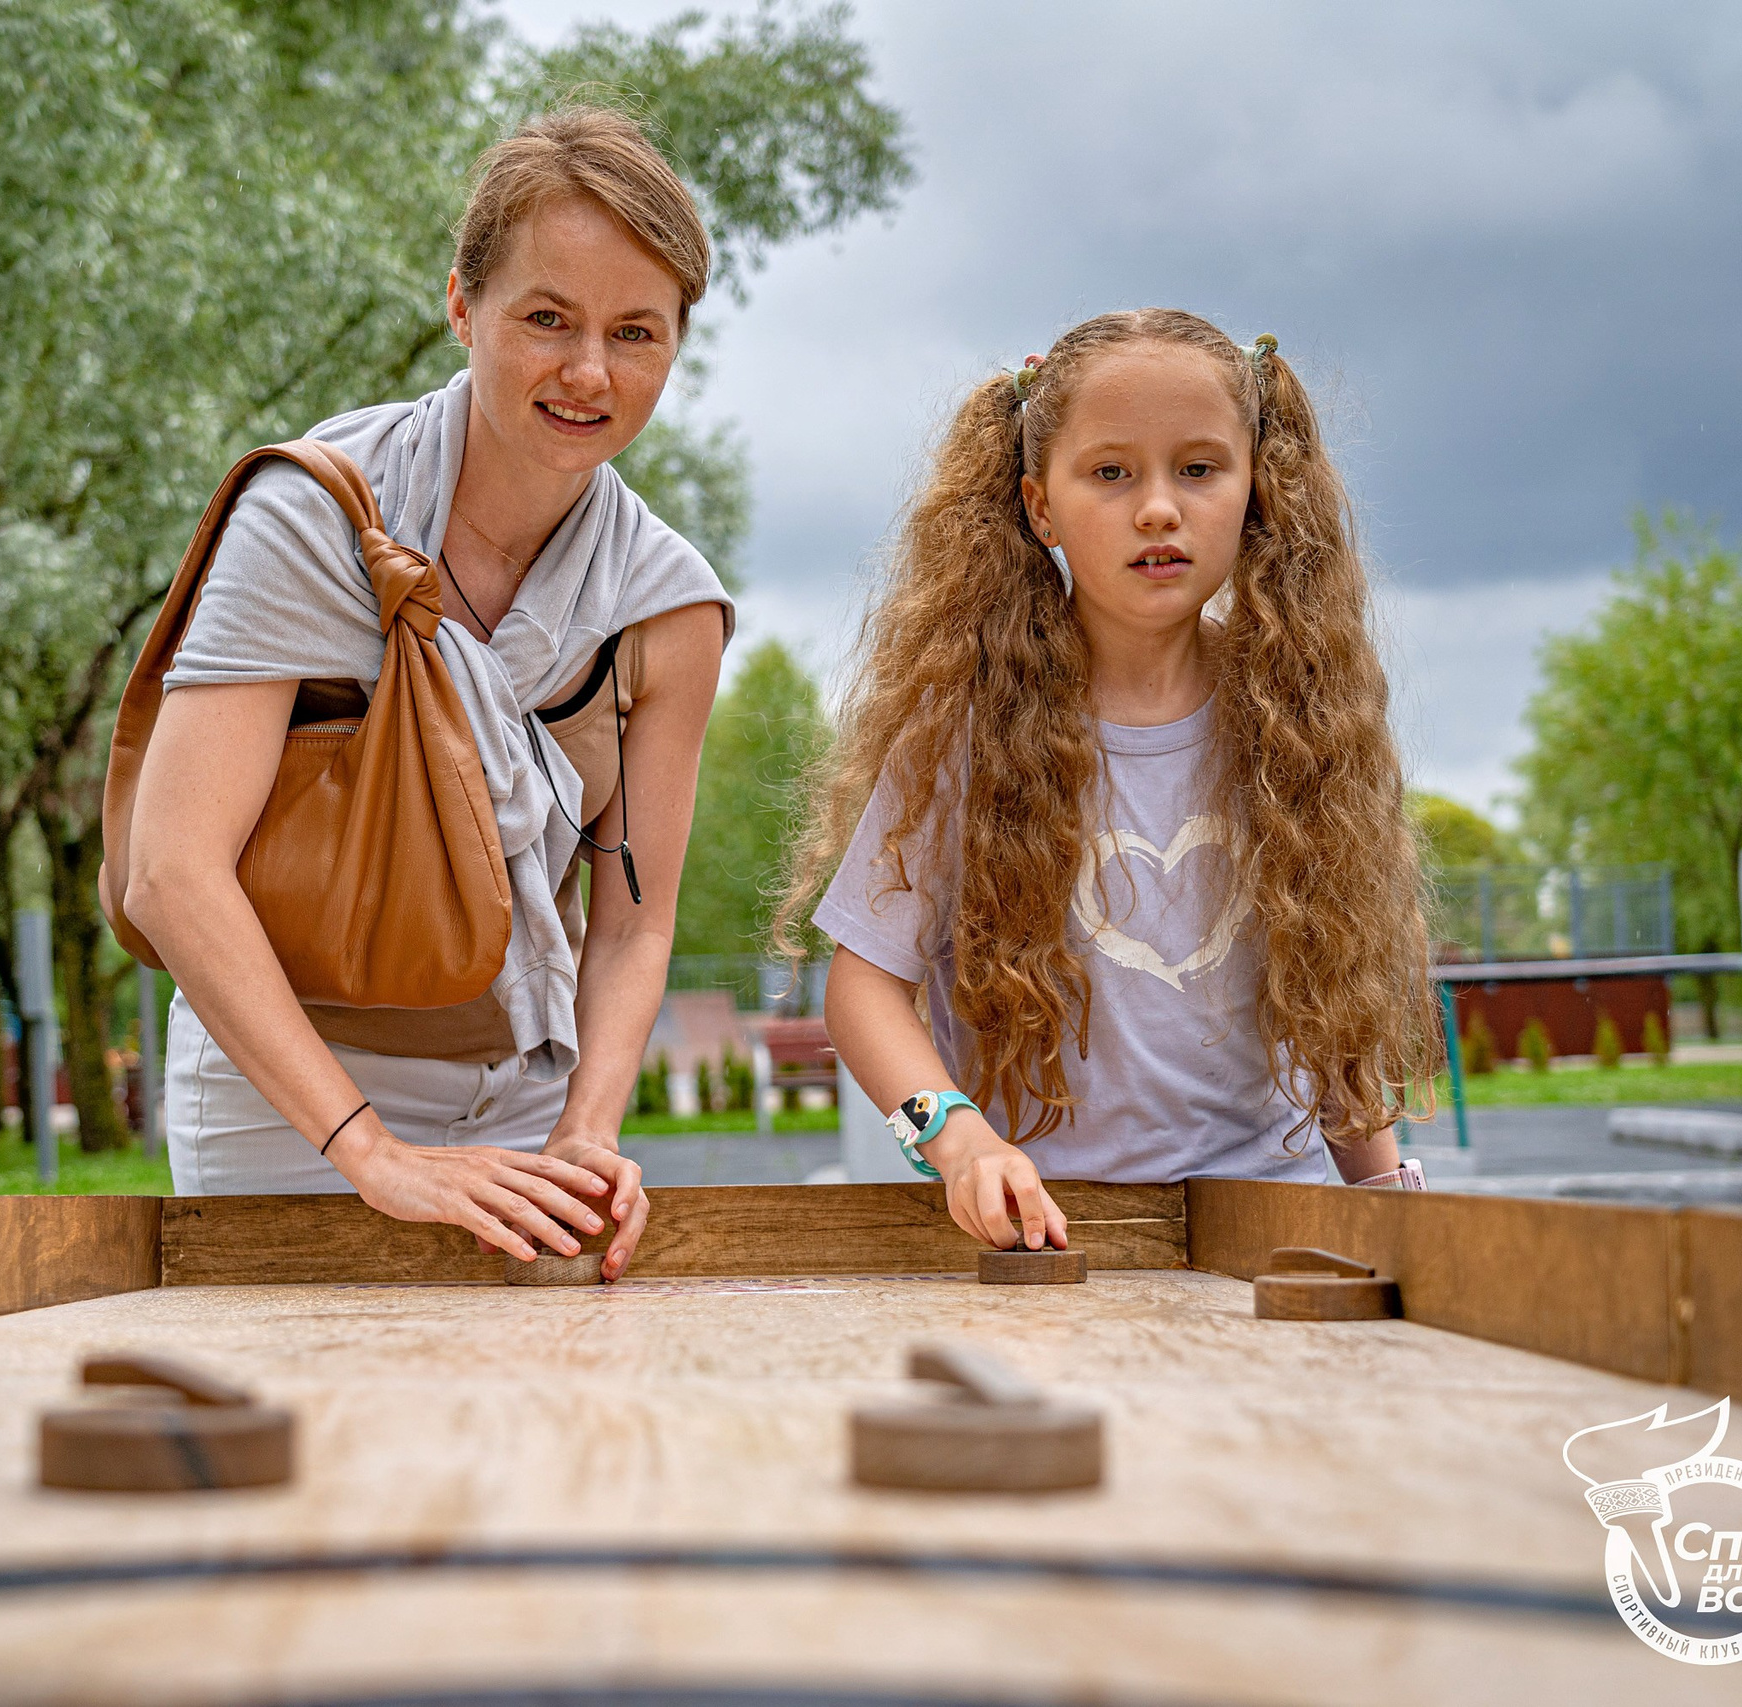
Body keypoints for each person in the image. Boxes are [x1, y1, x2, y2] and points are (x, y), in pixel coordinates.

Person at [124, 108, 731, 1279]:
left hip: (526, 1103)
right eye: (546, 319)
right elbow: (171, 873)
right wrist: (371, 1152)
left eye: (635, 333)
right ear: (461, 304)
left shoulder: (667, 608)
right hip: (290, 1104)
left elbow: (634, 922)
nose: (589, 372)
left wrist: (586, 1135)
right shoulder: (313, 519)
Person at [787, 309, 1436, 1255]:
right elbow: (864, 986)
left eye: (1199, 468)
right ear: (1039, 507)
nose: (1159, 508)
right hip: (1047, 1237)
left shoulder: (1301, 725)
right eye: (1110, 473)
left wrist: (1387, 1198)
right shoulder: (963, 734)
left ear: (1257, 489)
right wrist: (958, 1140)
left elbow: (1330, 1002)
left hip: (1272, 1230)